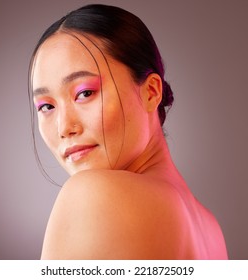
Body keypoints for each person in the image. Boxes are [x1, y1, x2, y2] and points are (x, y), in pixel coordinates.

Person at [29, 4, 228, 259]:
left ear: (151, 92)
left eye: (85, 93)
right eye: (46, 106)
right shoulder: (211, 230)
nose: (64, 128)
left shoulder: (92, 194)